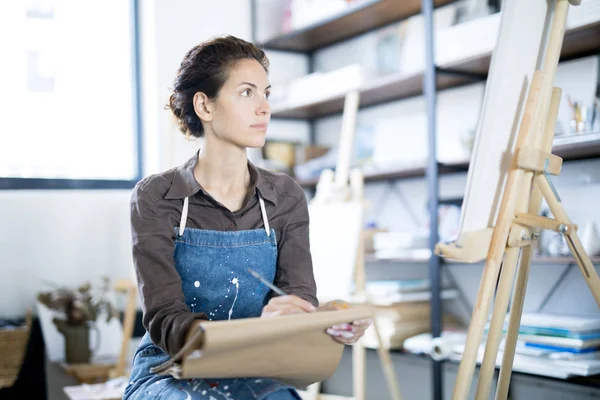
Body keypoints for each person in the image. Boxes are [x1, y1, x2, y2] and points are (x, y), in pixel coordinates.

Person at [124, 35, 371, 400]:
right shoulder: (156, 197)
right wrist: (247, 332)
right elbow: (164, 318)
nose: (264, 108)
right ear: (205, 106)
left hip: (259, 367)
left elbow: (297, 296)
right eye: (246, 93)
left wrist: (324, 319)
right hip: (170, 368)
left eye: (266, 93)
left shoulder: (285, 196)